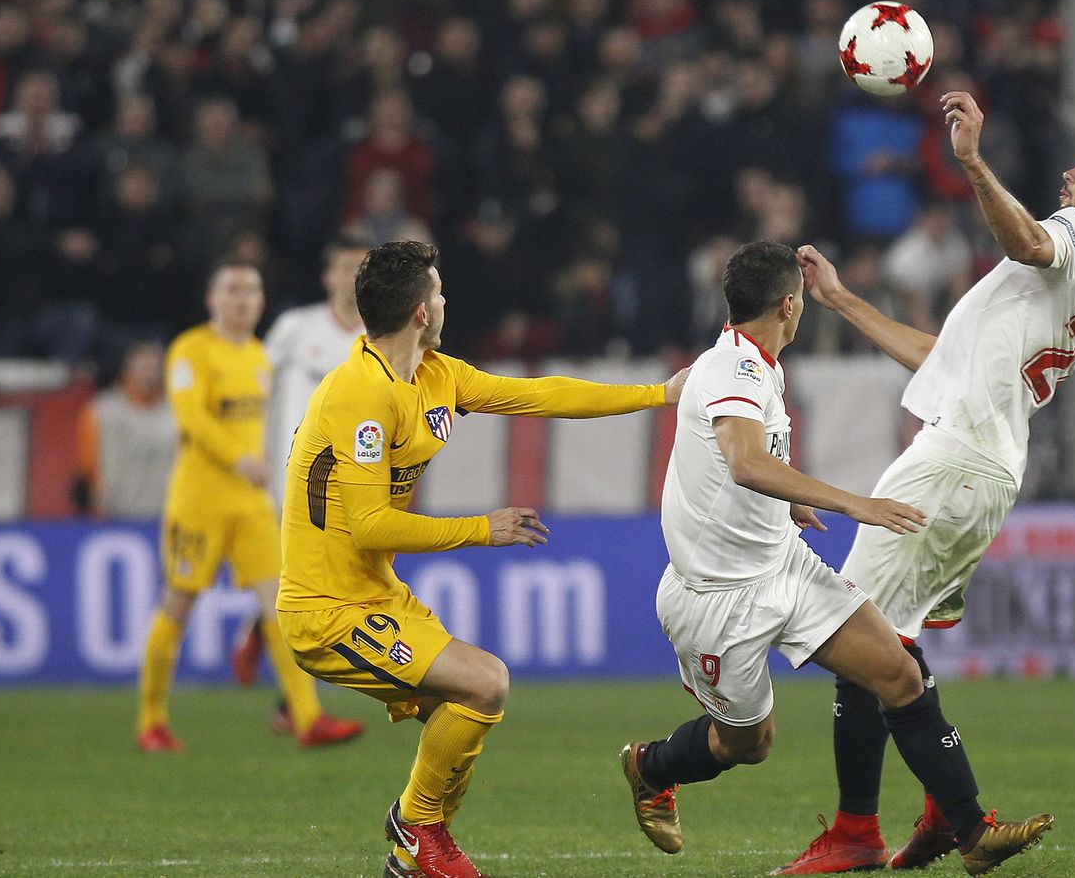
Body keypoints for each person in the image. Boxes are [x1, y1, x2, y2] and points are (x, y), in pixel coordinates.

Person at [770, 96, 1075, 874]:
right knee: (885, 644)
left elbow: (1025, 241)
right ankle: (933, 813)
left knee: (852, 637)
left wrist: (972, 162)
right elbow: (942, 356)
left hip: (954, 465)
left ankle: (886, 828)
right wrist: (845, 301)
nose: (1071, 171)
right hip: (980, 468)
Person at [619, 240, 1053, 877]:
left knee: (896, 674)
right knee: (748, 743)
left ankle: (972, 830)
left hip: (784, 569)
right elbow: (743, 461)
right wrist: (854, 503)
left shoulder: (761, 364)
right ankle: (650, 767)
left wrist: (787, 506)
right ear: (791, 305)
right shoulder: (731, 370)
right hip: (718, 598)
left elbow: (734, 464)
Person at [275, 240, 687, 878]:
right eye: (437, 291)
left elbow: (537, 396)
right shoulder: (359, 393)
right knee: (484, 681)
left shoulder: (436, 374)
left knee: (466, 704)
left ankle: (415, 842)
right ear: (418, 313)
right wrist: (481, 528)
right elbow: (369, 523)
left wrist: (657, 395)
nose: (445, 300)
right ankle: (419, 830)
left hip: (374, 593)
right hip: (323, 608)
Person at [136, 260, 366, 753]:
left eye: (251, 291)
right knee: (178, 604)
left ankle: (307, 718)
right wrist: (237, 457)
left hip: (251, 503)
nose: (242, 299)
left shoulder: (261, 357)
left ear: (261, 302)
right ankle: (151, 719)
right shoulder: (191, 351)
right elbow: (192, 417)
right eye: (232, 290)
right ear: (211, 299)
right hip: (199, 501)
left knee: (283, 608)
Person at [230, 235, 370, 716]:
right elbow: (253, 387)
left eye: (361, 269)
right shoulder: (294, 329)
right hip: (290, 476)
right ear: (327, 276)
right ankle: (292, 707)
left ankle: (259, 631)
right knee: (320, 590)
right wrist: (249, 451)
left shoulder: (380, 338)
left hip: (354, 483)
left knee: (328, 593)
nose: (352, 278)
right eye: (344, 267)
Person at [74, 340, 175, 519]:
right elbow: (87, 467)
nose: (149, 372)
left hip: (170, 515)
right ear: (127, 367)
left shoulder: (180, 409)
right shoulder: (102, 410)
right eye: (143, 365)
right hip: (118, 517)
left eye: (155, 365)